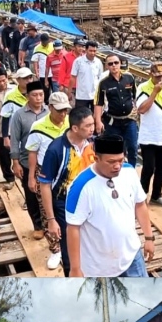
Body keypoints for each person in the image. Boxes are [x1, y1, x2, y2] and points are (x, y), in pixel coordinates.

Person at [65, 133, 156, 278]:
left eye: (121, 160)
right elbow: (73, 228)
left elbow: (140, 205)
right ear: (96, 158)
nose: (117, 166)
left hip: (131, 256)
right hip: (98, 267)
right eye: (111, 162)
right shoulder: (80, 187)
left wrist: (149, 238)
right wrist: (75, 268)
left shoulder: (129, 172)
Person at [38, 105, 97, 275]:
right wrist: (51, 219)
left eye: (93, 124)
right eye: (88, 126)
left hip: (90, 202)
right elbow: (45, 184)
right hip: (64, 205)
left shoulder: (93, 144)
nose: (92, 129)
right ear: (75, 128)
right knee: (71, 248)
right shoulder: (56, 149)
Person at [26, 94, 72, 244]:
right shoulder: (38, 126)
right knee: (47, 211)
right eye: (59, 110)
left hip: (67, 172)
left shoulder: (71, 124)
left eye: (65, 110)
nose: (63, 114)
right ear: (50, 107)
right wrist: (31, 177)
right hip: (45, 172)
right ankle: (54, 247)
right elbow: (32, 152)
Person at [135, 62, 162, 207]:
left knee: (161, 168)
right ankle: (141, 196)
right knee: (148, 167)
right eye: (157, 76)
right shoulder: (143, 88)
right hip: (148, 136)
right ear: (150, 75)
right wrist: (154, 92)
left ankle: (156, 195)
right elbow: (142, 109)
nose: (161, 79)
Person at [8, 81, 48, 237]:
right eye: (34, 95)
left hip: (46, 161)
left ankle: (49, 223)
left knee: (48, 194)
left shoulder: (49, 112)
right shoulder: (19, 115)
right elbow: (14, 140)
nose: (38, 98)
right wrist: (15, 162)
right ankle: (37, 226)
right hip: (26, 161)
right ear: (27, 96)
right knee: (31, 194)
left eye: (41, 95)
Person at [95, 56, 139, 168]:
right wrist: (98, 121)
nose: (114, 65)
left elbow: (135, 96)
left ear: (120, 63)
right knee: (114, 148)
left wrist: (137, 110)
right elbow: (99, 103)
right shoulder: (103, 83)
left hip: (129, 120)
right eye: (110, 64)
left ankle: (131, 170)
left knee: (133, 147)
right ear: (106, 66)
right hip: (112, 122)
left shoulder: (129, 78)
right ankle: (116, 170)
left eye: (116, 63)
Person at [70, 41, 103, 111]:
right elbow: (73, 77)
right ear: (86, 50)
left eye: (94, 51)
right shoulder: (78, 62)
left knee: (95, 117)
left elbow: (101, 79)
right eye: (90, 51)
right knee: (81, 118)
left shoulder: (98, 62)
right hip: (81, 96)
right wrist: (69, 92)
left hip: (95, 96)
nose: (92, 53)